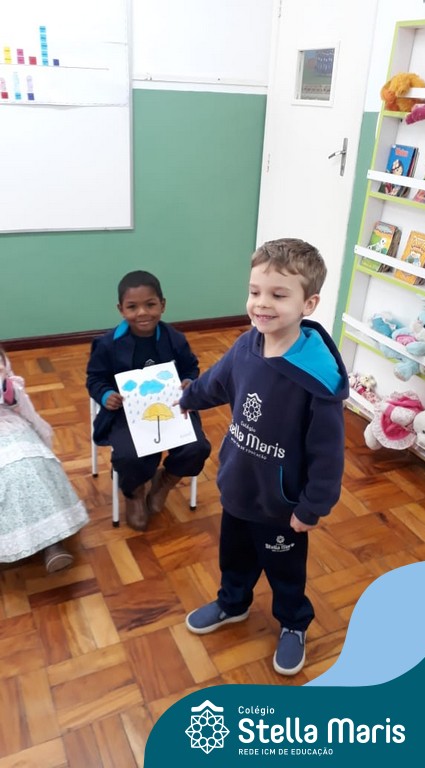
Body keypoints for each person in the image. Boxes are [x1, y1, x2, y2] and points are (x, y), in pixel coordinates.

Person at [178, 238, 349, 676]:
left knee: (285, 570)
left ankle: (293, 623)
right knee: (234, 557)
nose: (261, 304)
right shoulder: (246, 345)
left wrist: (312, 507)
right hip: (238, 487)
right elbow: (217, 382)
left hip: (282, 506)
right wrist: (189, 398)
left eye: (278, 294)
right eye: (255, 291)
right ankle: (232, 602)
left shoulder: (316, 380)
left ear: (308, 303)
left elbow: (328, 455)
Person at [86, 270, 211, 531]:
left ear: (162, 305)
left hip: (172, 408)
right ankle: (134, 492)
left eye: (150, 304)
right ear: (121, 309)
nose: (142, 313)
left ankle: (164, 482)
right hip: (126, 413)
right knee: (130, 456)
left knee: (197, 448)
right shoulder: (107, 344)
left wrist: (189, 381)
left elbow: (191, 367)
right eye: (132, 307)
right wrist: (106, 395)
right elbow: (95, 378)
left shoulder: (175, 339)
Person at [0, 347, 89, 573]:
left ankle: (52, 541)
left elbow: (18, 403)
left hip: (8, 426)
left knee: (29, 468)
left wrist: (4, 384)